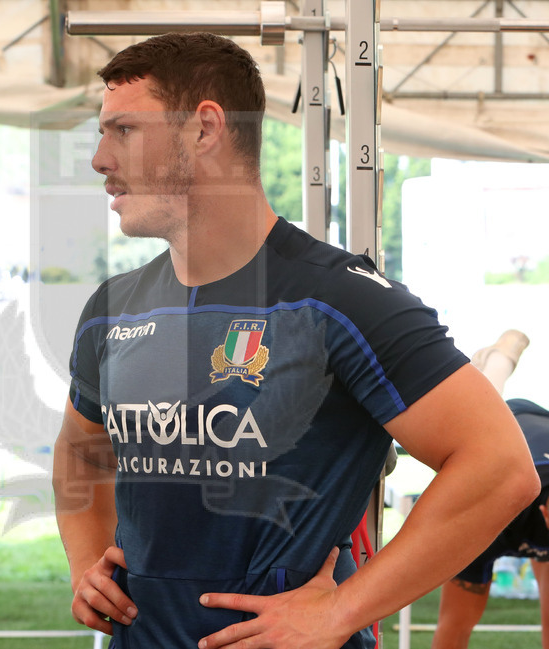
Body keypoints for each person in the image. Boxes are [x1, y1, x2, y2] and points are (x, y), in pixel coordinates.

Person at [51, 31, 540, 649]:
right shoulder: (111, 310)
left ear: (204, 129)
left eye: (123, 130)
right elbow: (80, 451)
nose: (99, 157)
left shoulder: (340, 299)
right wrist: (85, 563)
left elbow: (499, 467)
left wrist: (340, 612)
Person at [432, 330, 549, 649]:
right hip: (508, 436)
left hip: (539, 436)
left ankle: (498, 361)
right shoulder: (488, 505)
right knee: (457, 623)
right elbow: (451, 634)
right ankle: (498, 361)